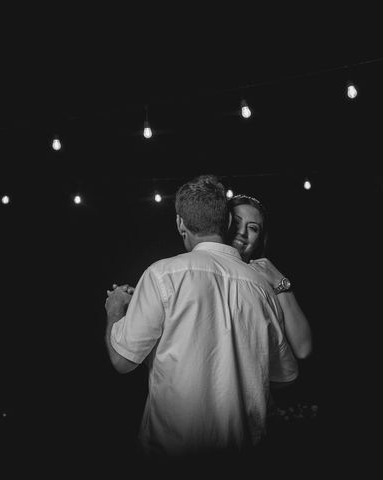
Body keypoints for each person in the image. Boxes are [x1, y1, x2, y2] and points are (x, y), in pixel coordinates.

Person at [104, 174, 298, 461]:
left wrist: (114, 311)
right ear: (228, 223)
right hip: (245, 453)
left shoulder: (162, 275)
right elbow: (285, 376)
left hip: (173, 452)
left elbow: (121, 362)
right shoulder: (261, 288)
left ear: (181, 223)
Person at [228, 194, 312, 360]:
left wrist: (280, 281)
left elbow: (304, 348)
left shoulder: (264, 279)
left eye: (253, 228)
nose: (242, 232)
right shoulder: (200, 268)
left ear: (260, 240)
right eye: (236, 223)